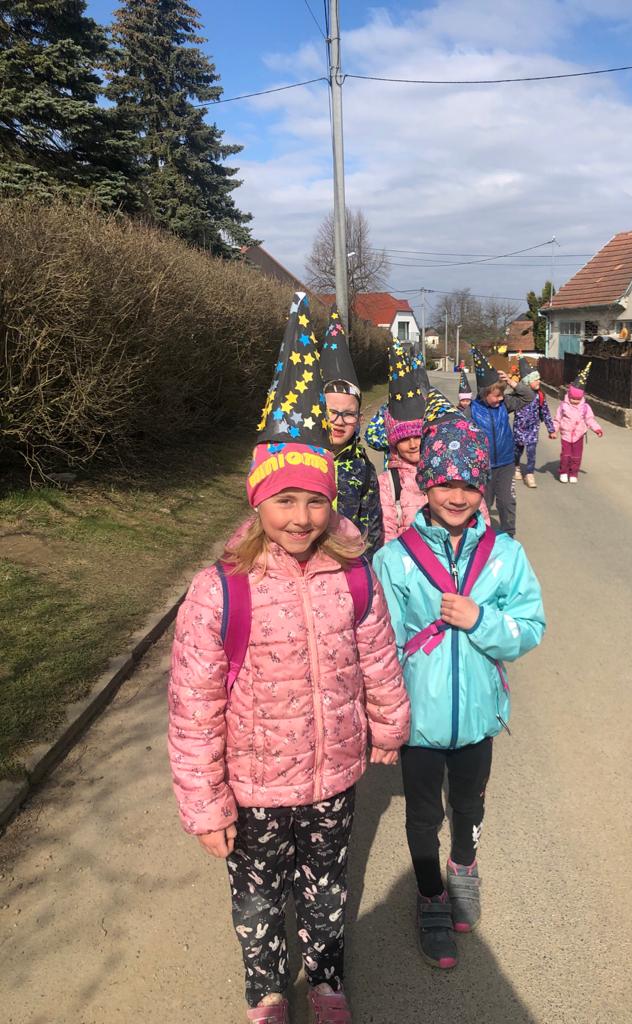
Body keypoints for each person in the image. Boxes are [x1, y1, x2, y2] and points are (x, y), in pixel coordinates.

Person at [168, 292, 410, 1024]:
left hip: (333, 775)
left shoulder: (354, 575)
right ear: (257, 502)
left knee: (327, 887)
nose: (301, 518)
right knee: (258, 895)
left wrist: (388, 727)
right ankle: (269, 991)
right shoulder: (220, 591)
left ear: (332, 501)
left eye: (315, 501)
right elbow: (194, 707)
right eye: (285, 501)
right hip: (254, 785)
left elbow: (378, 657)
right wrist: (206, 803)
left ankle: (327, 980)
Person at [373, 415, 545, 971]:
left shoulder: (506, 556)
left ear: (482, 487)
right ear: (425, 481)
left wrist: (480, 620)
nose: (457, 495)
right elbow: (378, 646)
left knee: (469, 803)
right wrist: (384, 718)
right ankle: (430, 895)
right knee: (423, 814)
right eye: (445, 482)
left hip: (477, 717)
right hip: (418, 721)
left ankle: (464, 867)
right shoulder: (394, 560)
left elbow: (530, 627)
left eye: (470, 484)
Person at [321, 305, 383, 552]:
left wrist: (367, 563)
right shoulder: (299, 459)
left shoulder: (362, 467)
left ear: (358, 419)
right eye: (331, 412)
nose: (339, 421)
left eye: (348, 414)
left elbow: (372, 524)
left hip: (350, 561)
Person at [468, 346, 534, 538]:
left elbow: (528, 396)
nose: (500, 398)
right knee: (483, 504)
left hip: (506, 463)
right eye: (496, 395)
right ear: (483, 393)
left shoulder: (504, 404)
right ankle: (482, 536)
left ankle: (509, 536)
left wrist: (511, 382)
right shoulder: (471, 410)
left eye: (501, 394)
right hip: (483, 467)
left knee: (507, 501)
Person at [378, 344, 429, 542]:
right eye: (404, 439)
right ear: (393, 443)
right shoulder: (388, 482)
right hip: (404, 556)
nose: (413, 444)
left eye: (418, 436)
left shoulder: (440, 471)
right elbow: (387, 531)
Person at [512, 355, 556, 490]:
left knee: (531, 452)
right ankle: (516, 466)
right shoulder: (518, 395)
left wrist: (551, 429)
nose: (538, 381)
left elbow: (546, 413)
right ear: (526, 382)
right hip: (519, 428)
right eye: (535, 379)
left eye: (539, 379)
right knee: (517, 450)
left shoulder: (540, 396)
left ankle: (530, 474)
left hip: (533, 429)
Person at [554, 362, 603, 483]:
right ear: (569, 395)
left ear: (581, 397)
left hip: (579, 435)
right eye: (573, 398)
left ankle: (573, 473)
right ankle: (564, 472)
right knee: (566, 455)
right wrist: (554, 430)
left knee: (576, 456)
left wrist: (597, 429)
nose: (575, 401)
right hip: (565, 435)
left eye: (578, 399)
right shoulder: (563, 406)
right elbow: (557, 419)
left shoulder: (585, 407)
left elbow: (590, 419)